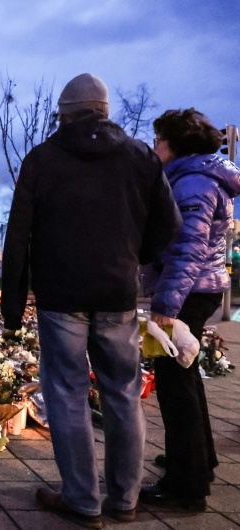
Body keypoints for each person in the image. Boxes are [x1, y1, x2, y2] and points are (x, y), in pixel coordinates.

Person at [1, 73, 181, 529]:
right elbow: (170, 222)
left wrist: (13, 304)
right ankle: (125, 498)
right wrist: (134, 257)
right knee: (123, 393)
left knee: (67, 394)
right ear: (104, 110)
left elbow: (18, 234)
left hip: (61, 296)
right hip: (116, 293)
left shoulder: (43, 159)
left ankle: (82, 499)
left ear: (64, 114)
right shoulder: (139, 155)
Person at [139, 109, 240, 511]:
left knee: (174, 381)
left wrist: (166, 306)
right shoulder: (196, 176)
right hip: (199, 289)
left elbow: (188, 250)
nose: (154, 146)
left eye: (160, 139)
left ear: (177, 144)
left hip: (188, 291)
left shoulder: (194, 182)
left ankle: (186, 485)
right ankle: (199, 460)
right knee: (184, 374)